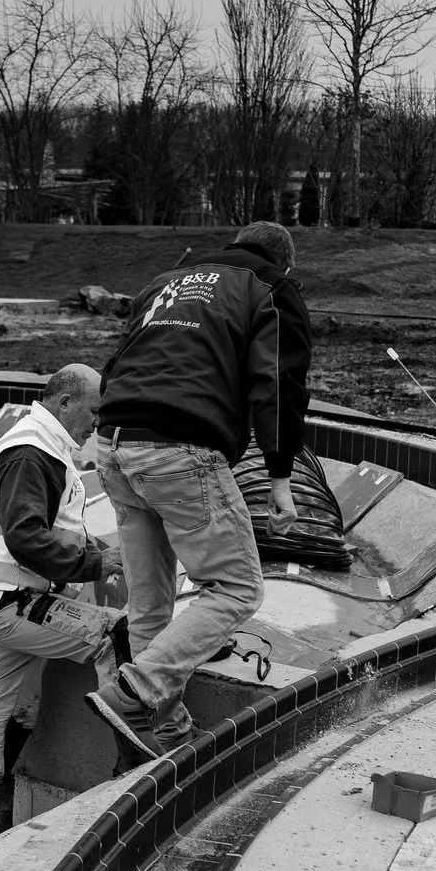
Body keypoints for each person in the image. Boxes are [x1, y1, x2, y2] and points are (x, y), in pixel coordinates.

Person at [87, 220, 308, 757]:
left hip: (113, 444)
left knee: (149, 602)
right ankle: (135, 689)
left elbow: (119, 363)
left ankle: (170, 735)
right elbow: (277, 384)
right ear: (284, 262)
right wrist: (280, 477)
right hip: (179, 449)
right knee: (237, 589)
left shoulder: (167, 282)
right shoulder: (271, 288)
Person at [0, 364, 126, 842]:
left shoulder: (46, 447)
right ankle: (133, 768)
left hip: (10, 600)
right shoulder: (32, 453)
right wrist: (95, 565)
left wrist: (98, 555)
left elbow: (58, 529)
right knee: (114, 636)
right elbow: (27, 537)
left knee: (9, 712)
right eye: (94, 411)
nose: (97, 422)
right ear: (66, 402)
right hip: (14, 605)